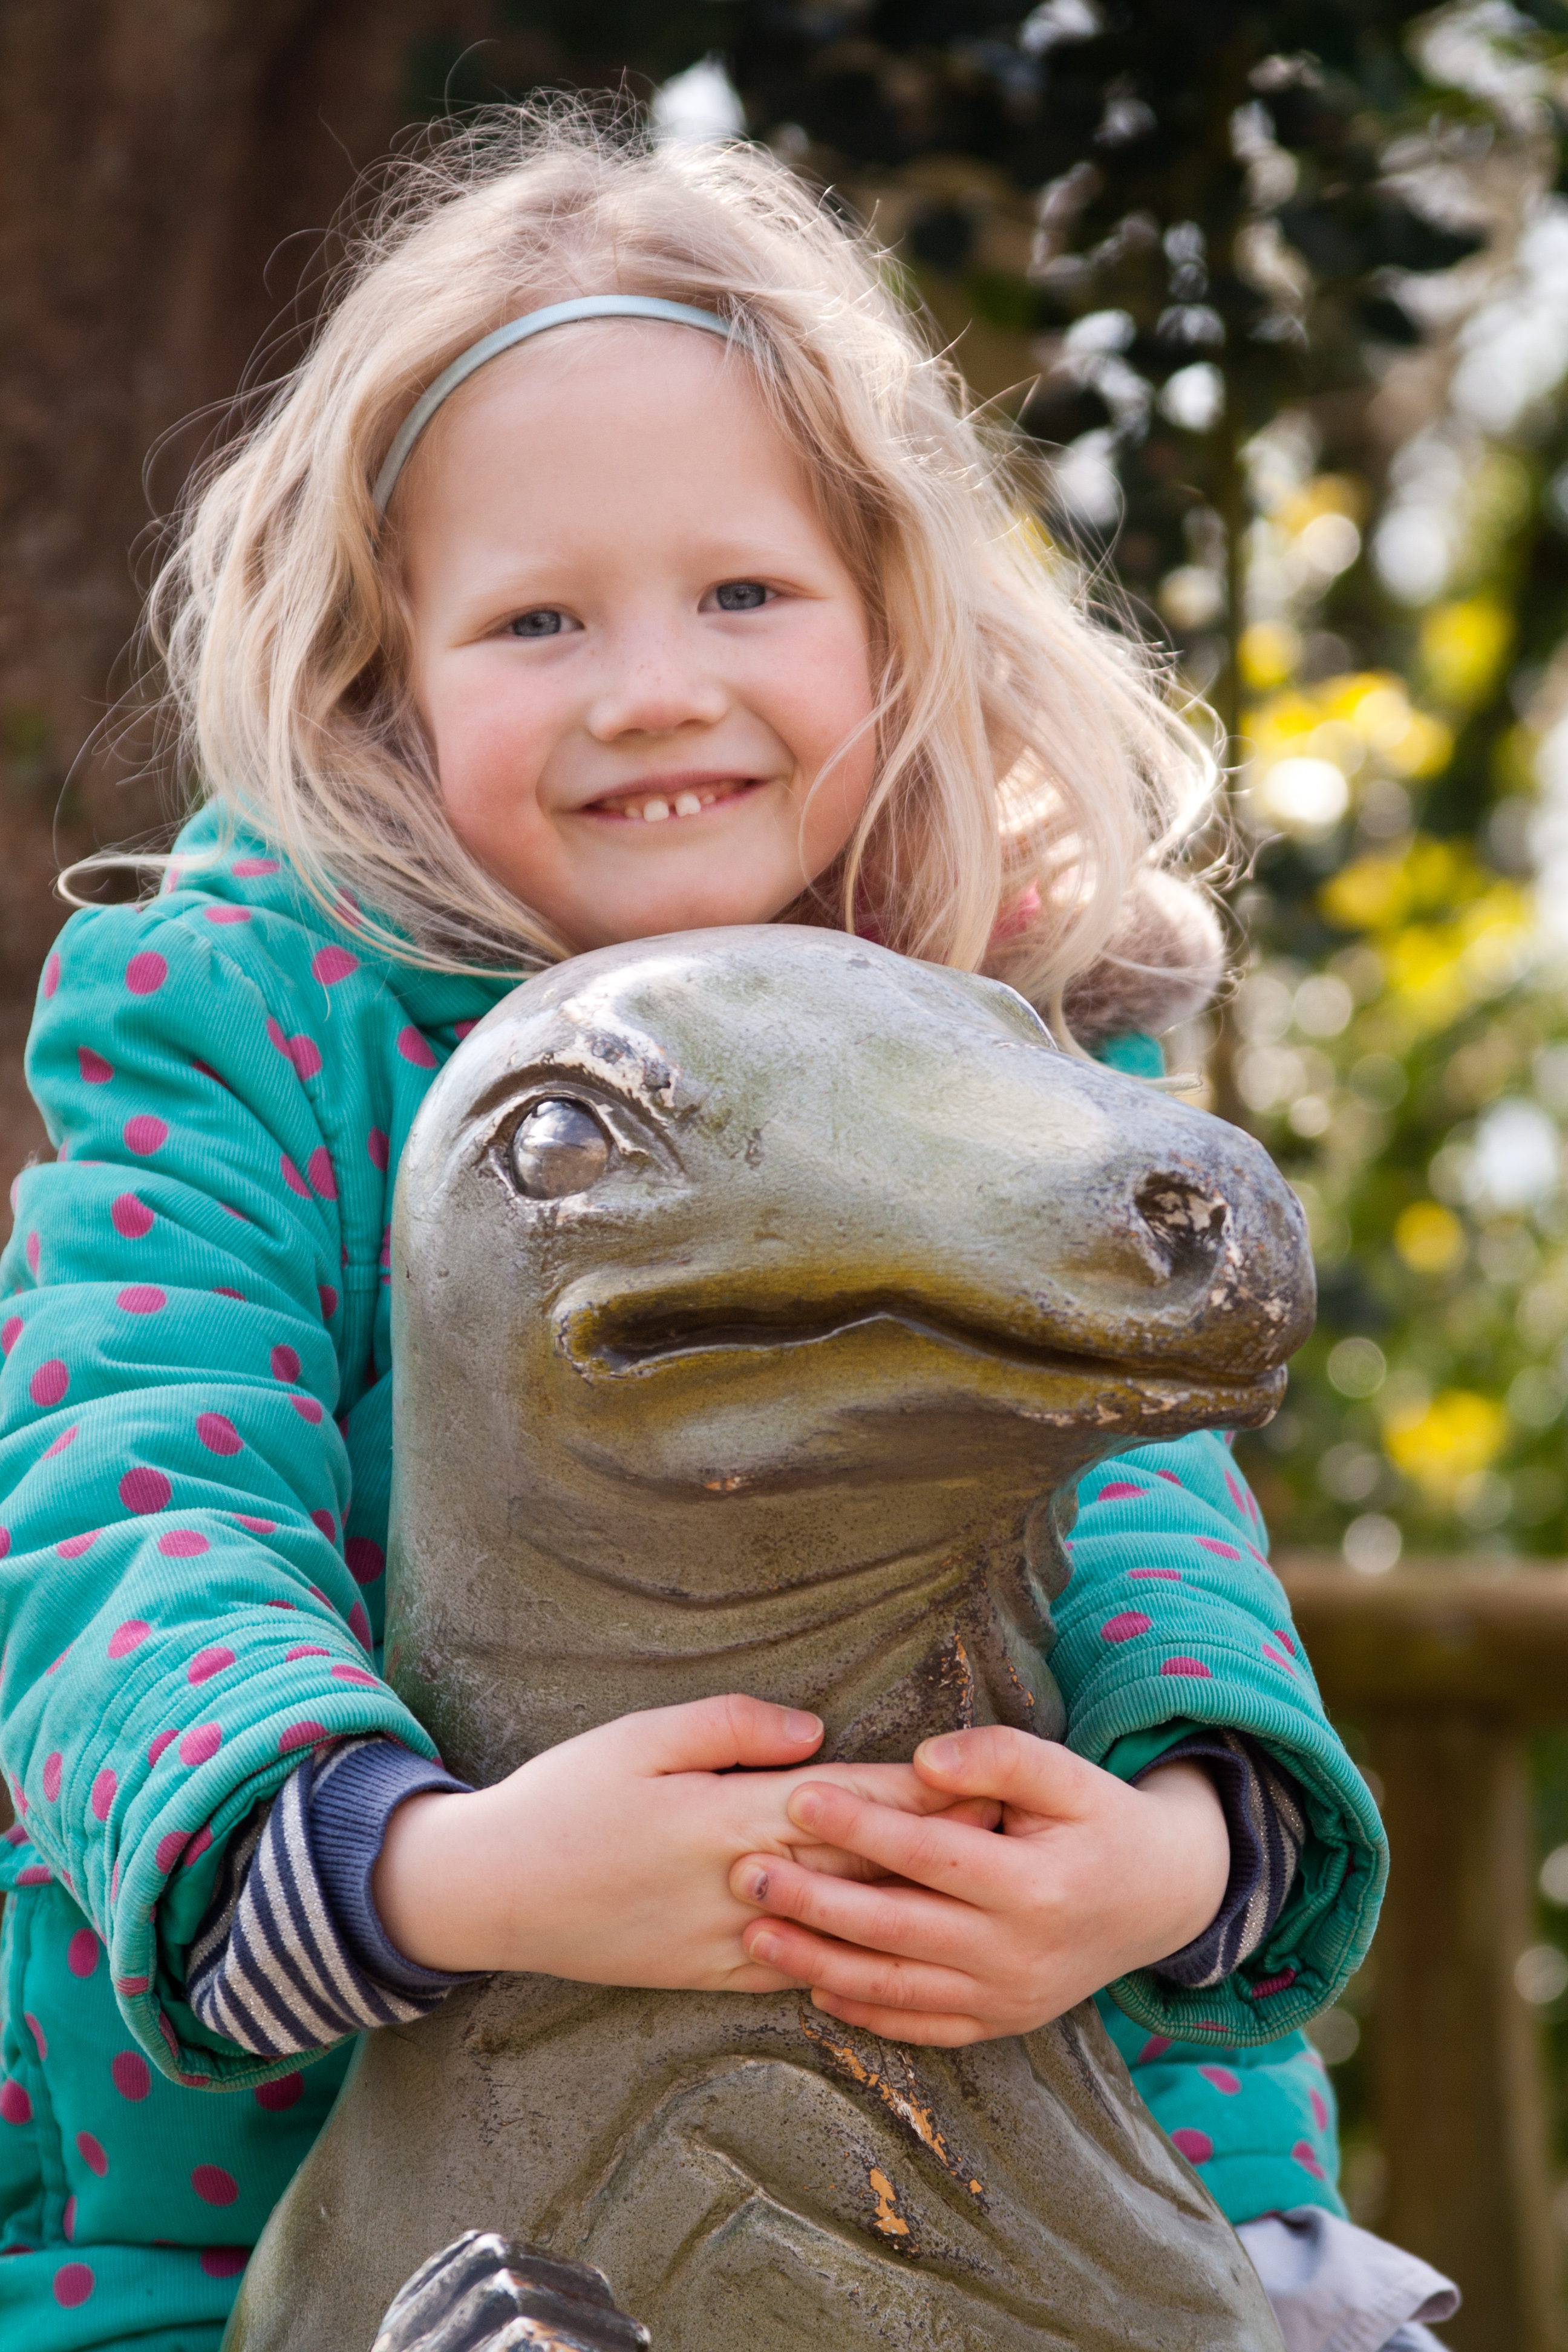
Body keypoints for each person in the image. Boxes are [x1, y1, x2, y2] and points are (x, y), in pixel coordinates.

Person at [0, 104, 1448, 2352]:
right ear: (391, 674)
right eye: (537, 618)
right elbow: (135, 1487)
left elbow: (1147, 1504)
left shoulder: (990, 1010)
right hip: (295, 2175)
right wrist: (434, 1869)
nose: (654, 685)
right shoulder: (252, 1022)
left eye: (744, 594)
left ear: (888, 618)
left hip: (1043, 2131)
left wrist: (1170, 1854)